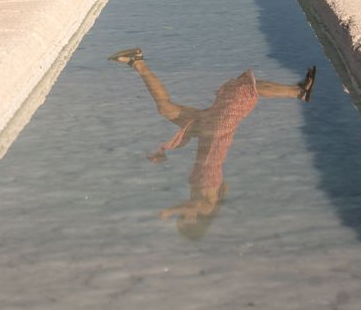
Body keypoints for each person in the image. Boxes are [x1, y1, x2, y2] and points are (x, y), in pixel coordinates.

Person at [107, 47, 316, 237]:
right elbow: (195, 206)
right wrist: (170, 211)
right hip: (218, 128)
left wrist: (168, 150)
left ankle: (137, 62)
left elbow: (193, 199)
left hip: (208, 130)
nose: (185, 215)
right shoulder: (206, 206)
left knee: (165, 108)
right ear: (197, 221)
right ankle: (299, 92)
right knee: (247, 89)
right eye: (186, 220)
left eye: (182, 218)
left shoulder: (198, 201)